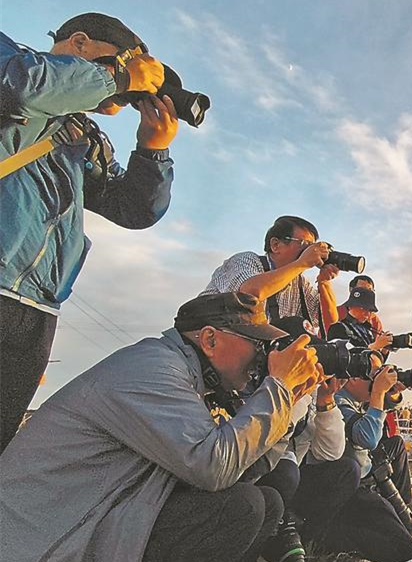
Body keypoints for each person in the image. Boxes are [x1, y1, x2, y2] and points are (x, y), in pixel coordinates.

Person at [0, 292, 322, 562]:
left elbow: (239, 471)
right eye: (258, 343)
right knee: (241, 508)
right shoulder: (155, 368)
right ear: (210, 339)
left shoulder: (192, 382)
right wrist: (277, 386)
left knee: (265, 502)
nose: (262, 356)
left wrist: (289, 399)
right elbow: (214, 466)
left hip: (98, 519)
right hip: (42, 539)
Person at [0, 12, 178, 452]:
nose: (135, 88)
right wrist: (115, 76)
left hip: (37, 308)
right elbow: (21, 87)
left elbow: (133, 209)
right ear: (79, 43)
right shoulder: (14, 60)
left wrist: (154, 151)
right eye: (131, 66)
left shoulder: (82, 133)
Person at [202, 215, 339, 333]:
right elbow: (250, 293)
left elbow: (330, 323)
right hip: (203, 342)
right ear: (275, 245)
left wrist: (324, 282)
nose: (310, 251)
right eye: (304, 244)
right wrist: (302, 263)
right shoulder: (245, 260)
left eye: (311, 247)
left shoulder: (301, 284)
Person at [337, 360, 412, 537]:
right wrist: (378, 391)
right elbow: (368, 438)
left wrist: (392, 392)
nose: (377, 380)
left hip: (365, 462)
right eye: (374, 374)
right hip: (353, 477)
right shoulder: (339, 399)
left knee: (397, 444)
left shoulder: (356, 397)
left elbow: (387, 407)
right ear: (353, 377)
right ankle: (391, 511)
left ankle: (403, 505)